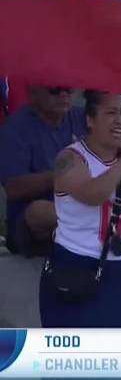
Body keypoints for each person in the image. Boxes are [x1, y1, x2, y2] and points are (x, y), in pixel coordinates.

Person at [39, 91, 121, 328]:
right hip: (84, 267)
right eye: (111, 113)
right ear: (90, 120)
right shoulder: (71, 159)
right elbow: (92, 195)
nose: (120, 120)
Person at [0, 86, 86, 256]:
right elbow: (13, 189)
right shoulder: (14, 129)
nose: (63, 95)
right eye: (55, 90)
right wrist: (60, 176)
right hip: (34, 222)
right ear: (33, 92)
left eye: (68, 90)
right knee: (39, 211)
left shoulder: (83, 118)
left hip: (83, 202)